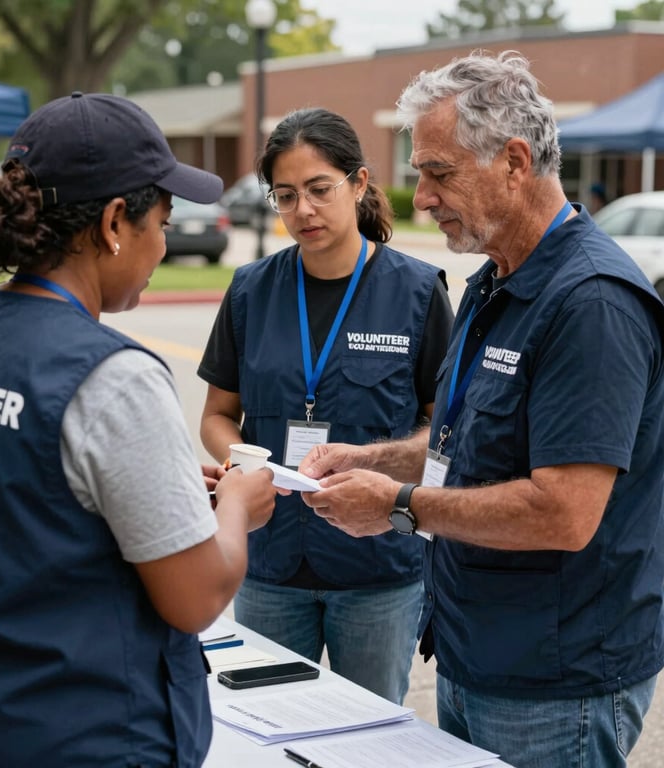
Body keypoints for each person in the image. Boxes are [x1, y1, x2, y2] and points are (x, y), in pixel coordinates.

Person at [296, 51, 664, 767]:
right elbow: (464, 441)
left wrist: (398, 505)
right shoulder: (499, 279)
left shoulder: (590, 304)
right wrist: (366, 460)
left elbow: (564, 511)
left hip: (555, 684)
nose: (422, 198)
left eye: (438, 173)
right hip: (477, 654)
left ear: (516, 162)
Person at [0, 92, 278, 768]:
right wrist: (238, 506)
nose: (162, 243)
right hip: (78, 738)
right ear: (112, 224)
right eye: (161, 220)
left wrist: (141, 492)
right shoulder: (113, 377)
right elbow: (195, 598)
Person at [197, 107, 454, 704]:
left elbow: (444, 431)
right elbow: (216, 415)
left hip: (376, 571)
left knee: (368, 739)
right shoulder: (250, 290)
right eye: (285, 196)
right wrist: (243, 460)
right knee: (265, 728)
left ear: (359, 184)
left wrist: (377, 459)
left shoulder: (417, 291)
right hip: (270, 567)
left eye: (319, 189)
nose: (302, 211)